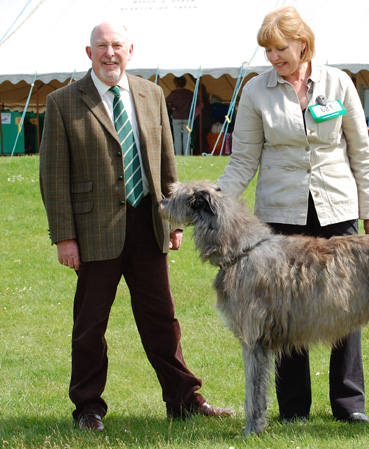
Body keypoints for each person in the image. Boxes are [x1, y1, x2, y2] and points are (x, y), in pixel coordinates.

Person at [39, 22, 234, 432]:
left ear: (131, 51)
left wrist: (175, 219)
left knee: (162, 319)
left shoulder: (151, 94)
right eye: (101, 47)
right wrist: (65, 237)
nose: (110, 53)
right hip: (94, 232)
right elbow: (53, 176)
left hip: (148, 223)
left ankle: (184, 400)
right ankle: (88, 407)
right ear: (88, 53)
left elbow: (165, 162)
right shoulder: (62, 102)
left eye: (117, 46)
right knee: (91, 324)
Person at [217, 6, 369, 424]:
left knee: (347, 306)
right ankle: (294, 408)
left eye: (280, 48)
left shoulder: (338, 83)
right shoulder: (256, 91)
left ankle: (350, 405)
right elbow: (242, 161)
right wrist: (216, 203)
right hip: (280, 215)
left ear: (302, 43)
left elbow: (361, 154)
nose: (273, 57)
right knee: (285, 313)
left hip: (337, 209)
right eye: (268, 51)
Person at [166, 76, 194, 155]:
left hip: (177, 117)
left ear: (175, 83)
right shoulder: (189, 93)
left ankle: (178, 154)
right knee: (187, 136)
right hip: (187, 117)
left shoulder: (173, 93)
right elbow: (197, 103)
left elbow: (165, 102)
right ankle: (187, 154)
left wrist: (172, 108)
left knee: (177, 137)